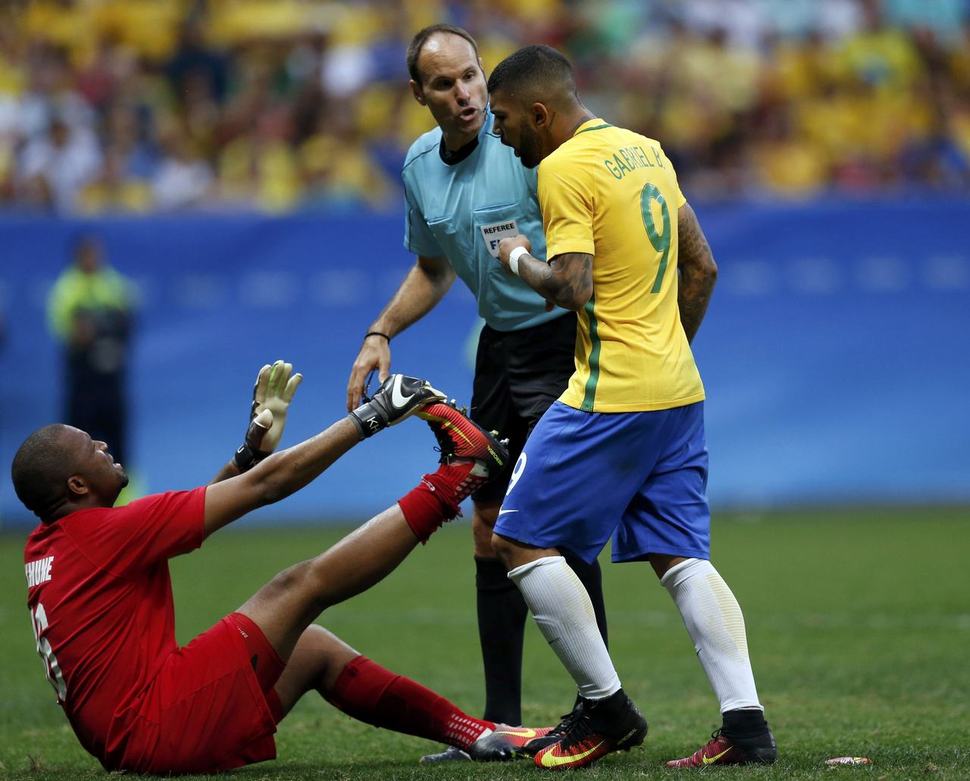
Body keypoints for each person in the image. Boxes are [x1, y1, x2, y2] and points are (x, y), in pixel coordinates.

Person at [15, 360, 547, 774]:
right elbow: (268, 489)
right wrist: (375, 415)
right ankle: (460, 474)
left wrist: (248, 455)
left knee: (310, 647)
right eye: (90, 447)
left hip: (143, 735)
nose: (103, 445)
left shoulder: (50, 545)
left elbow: (219, 500)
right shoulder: (103, 536)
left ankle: (476, 734)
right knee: (298, 586)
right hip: (159, 725)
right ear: (76, 486)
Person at [484, 46, 778, 770]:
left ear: (540, 113)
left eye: (505, 119)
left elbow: (571, 286)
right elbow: (702, 263)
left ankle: (607, 709)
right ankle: (746, 727)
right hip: (678, 389)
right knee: (681, 555)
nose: (500, 134)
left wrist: (516, 257)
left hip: (607, 391)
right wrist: (669, 351)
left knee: (516, 539)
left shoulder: (563, 168)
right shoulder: (645, 150)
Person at [345, 25, 608, 760]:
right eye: (444, 84)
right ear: (418, 94)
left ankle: (600, 710)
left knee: (562, 528)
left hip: (565, 343)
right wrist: (380, 330)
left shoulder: (526, 146)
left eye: (469, 77)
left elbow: (583, 249)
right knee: (488, 530)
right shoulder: (420, 165)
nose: (464, 95)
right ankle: (495, 724)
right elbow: (434, 268)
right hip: (499, 350)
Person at [47, 234, 134, 469]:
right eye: (88, 254)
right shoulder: (67, 288)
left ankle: (127, 500)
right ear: (77, 257)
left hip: (112, 382)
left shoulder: (113, 282)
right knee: (76, 445)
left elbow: (128, 321)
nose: (93, 259)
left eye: (96, 253)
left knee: (120, 445)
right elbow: (74, 334)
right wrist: (104, 323)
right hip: (83, 383)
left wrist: (97, 324)